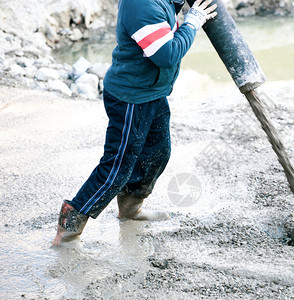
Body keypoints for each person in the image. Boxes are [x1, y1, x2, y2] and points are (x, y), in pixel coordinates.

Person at [52, 0, 217, 246]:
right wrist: (192, 22)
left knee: (158, 153)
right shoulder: (141, 4)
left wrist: (182, 7)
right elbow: (167, 55)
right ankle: (68, 230)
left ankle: (130, 207)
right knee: (116, 169)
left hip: (152, 93)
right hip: (130, 99)